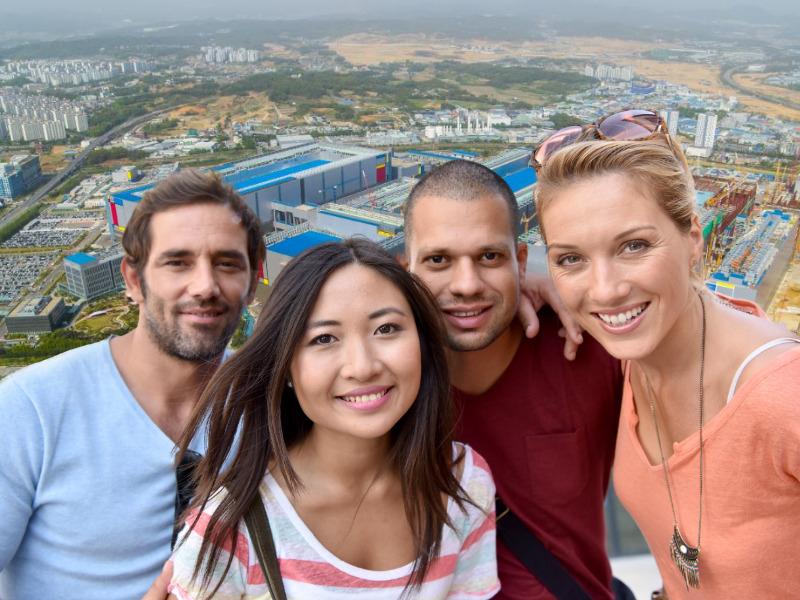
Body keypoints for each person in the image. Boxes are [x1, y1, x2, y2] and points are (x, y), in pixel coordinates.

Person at [533, 109, 800, 598]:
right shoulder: (625, 359)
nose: (605, 290)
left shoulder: (783, 398)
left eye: (633, 246)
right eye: (570, 258)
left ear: (694, 239)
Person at [167, 238, 499, 600]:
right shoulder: (226, 533)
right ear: (287, 368)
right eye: (324, 338)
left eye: (386, 328)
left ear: (421, 342)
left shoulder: (464, 483)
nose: (362, 367)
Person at [0, 169, 265, 600]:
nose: (204, 286)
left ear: (253, 283)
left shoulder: (267, 402)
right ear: (133, 280)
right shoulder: (30, 412)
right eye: (177, 262)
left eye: (226, 263)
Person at [402, 160, 624, 600]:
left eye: (490, 257)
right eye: (438, 259)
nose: (466, 284)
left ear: (521, 262)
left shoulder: (588, 350)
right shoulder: (384, 385)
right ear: (407, 270)